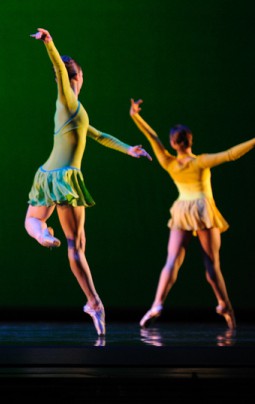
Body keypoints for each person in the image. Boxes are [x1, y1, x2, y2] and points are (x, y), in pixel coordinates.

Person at [25, 28, 151, 337]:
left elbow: (98, 135)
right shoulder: (68, 100)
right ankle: (93, 301)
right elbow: (58, 68)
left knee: (33, 219)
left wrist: (128, 148)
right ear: (75, 78)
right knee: (76, 245)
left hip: (46, 174)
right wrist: (50, 43)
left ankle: (42, 234)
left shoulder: (76, 111)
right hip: (67, 178)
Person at [129, 98, 254, 330]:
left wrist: (136, 116)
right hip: (203, 210)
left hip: (182, 210)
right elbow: (230, 154)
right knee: (211, 266)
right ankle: (224, 304)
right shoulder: (201, 161)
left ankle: (157, 303)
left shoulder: (169, 163)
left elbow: (152, 138)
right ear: (190, 141)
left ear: (174, 144)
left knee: (172, 261)